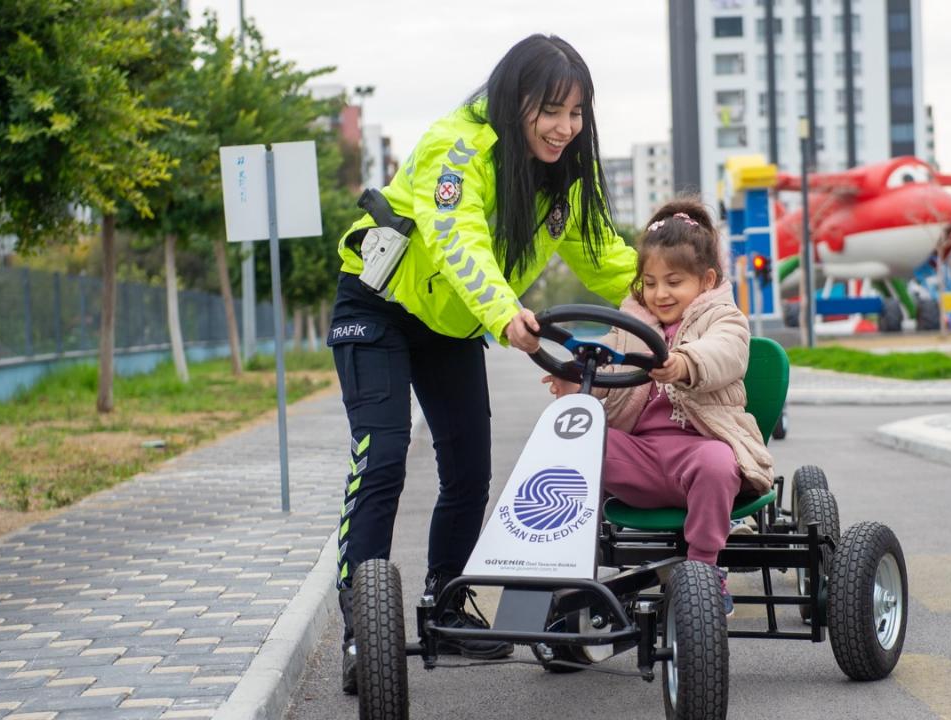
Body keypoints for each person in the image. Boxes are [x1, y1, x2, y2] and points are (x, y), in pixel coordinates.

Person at [329, 35, 638, 693]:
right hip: (379, 306)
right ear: (514, 99)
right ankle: (362, 629)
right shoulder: (457, 146)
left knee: (469, 470)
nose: (565, 128)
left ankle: (448, 598)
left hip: (451, 325)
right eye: (551, 110)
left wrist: (690, 295)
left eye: (577, 113)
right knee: (382, 456)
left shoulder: (563, 177)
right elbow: (456, 236)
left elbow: (609, 260)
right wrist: (503, 311)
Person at [542, 199, 775, 616]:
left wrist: (686, 362)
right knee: (578, 448)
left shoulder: (724, 319)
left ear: (705, 281)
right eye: (650, 283)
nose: (660, 293)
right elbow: (606, 375)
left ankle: (704, 572)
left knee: (717, 462)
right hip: (643, 457)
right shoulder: (630, 326)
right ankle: (573, 564)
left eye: (673, 282)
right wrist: (576, 381)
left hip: (700, 448)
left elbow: (725, 354)